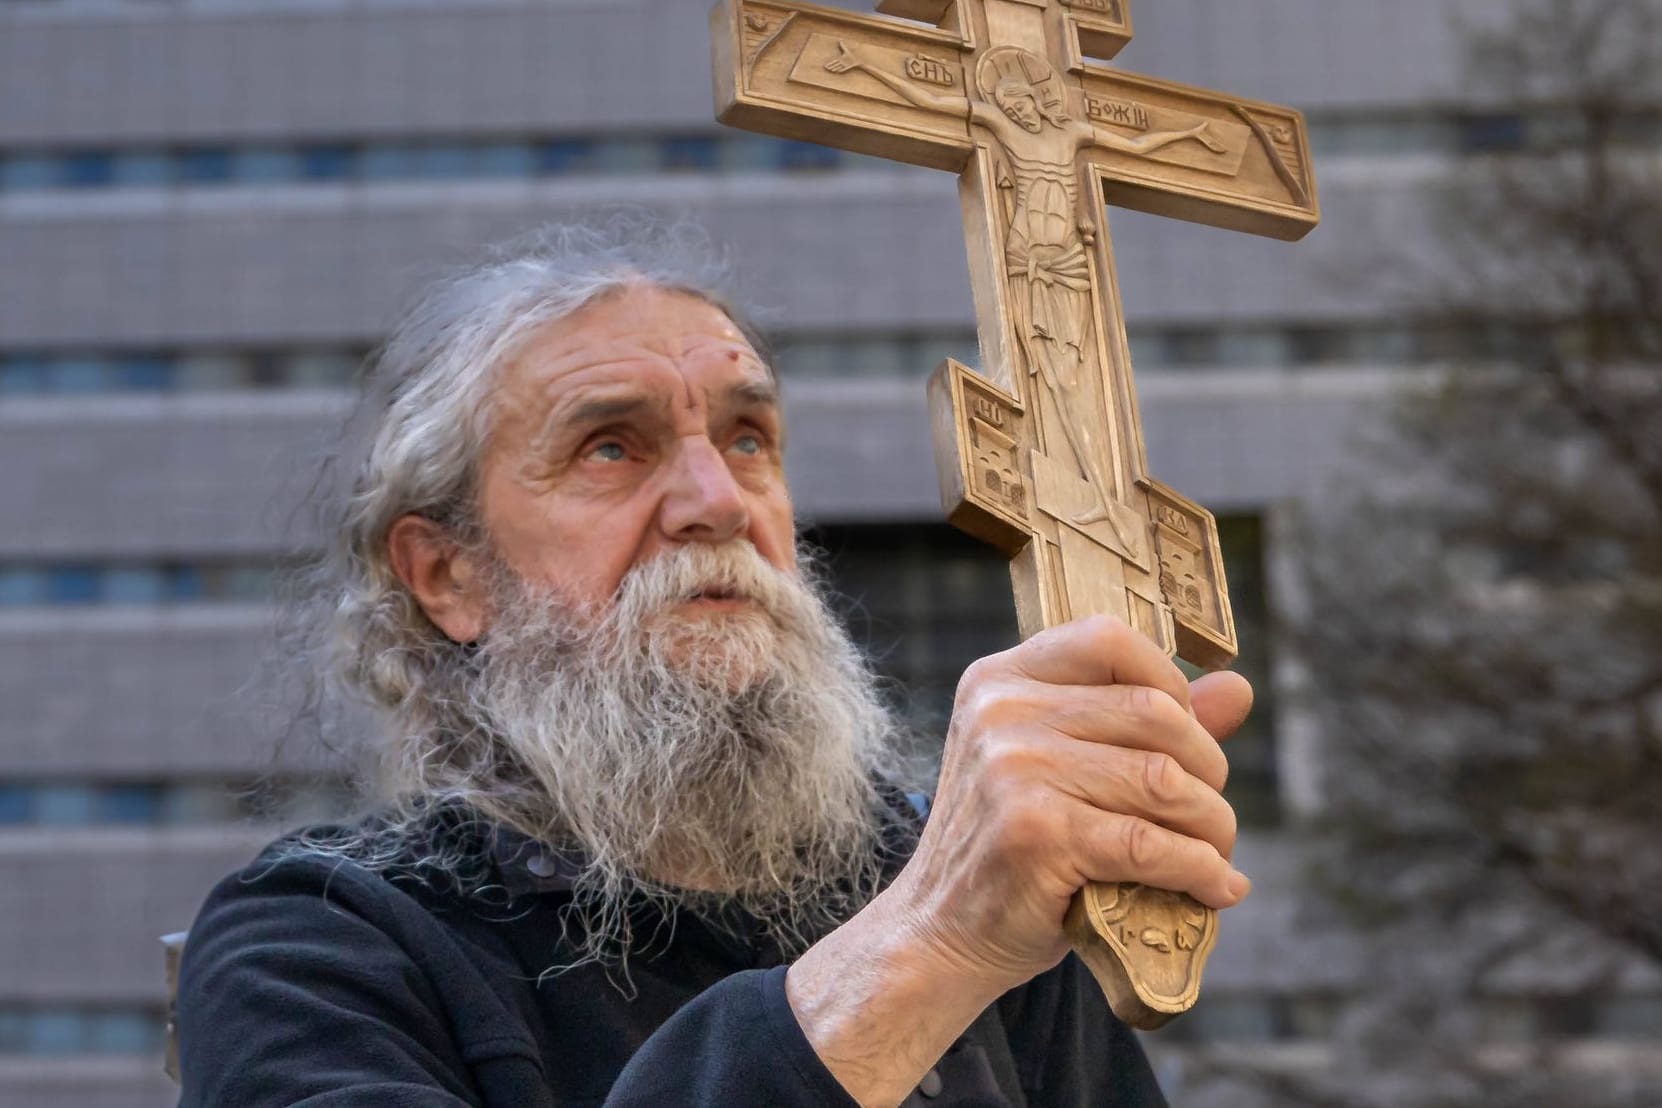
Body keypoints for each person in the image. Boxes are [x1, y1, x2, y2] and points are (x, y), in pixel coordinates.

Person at [173, 222, 1253, 1107]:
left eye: (747, 437)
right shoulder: (317, 941)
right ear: (448, 574)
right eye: (611, 446)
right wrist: (930, 938)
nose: (719, 501)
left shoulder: (962, 884)